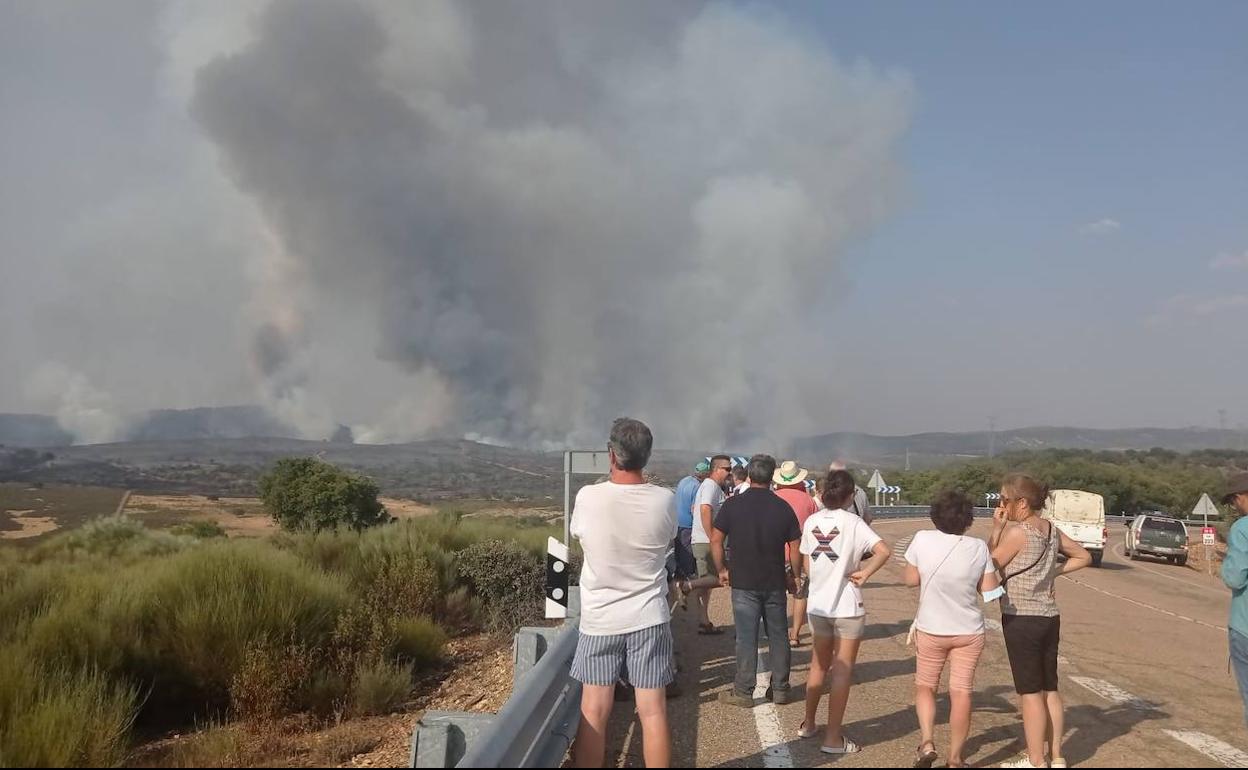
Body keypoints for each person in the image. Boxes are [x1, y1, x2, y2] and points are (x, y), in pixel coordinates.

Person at [570, 418, 676, 769]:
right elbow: (669, 541)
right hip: (648, 616)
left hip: (600, 619)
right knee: (653, 711)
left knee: (593, 710)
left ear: (611, 454)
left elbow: (579, 536)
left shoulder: (588, 497)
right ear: (646, 455)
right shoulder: (665, 500)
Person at [989, 474, 1091, 770]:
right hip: (1049, 616)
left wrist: (996, 530)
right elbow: (1083, 556)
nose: (1001, 505)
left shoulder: (1018, 533)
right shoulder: (1050, 530)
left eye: (1004, 500)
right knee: (1050, 688)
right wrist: (1054, 573)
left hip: (1022, 617)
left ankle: (1035, 760)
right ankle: (1057, 755)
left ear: (1021, 502)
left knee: (1029, 692)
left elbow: (988, 565)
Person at [904, 491, 1000, 769]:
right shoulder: (979, 547)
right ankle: (956, 758)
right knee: (961, 693)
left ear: (935, 515)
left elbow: (910, 580)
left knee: (925, 687)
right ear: (968, 520)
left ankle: (927, 742)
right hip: (968, 631)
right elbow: (990, 592)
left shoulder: (922, 539)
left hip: (932, 628)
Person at [798, 469, 892, 755]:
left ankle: (808, 724)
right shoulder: (853, 523)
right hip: (847, 606)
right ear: (851, 496)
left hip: (817, 605)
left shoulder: (811, 521)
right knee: (842, 670)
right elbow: (883, 551)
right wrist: (864, 574)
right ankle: (833, 738)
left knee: (817, 665)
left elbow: (806, 566)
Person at [710, 454, 803, 707]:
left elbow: (716, 540)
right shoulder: (783, 507)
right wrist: (794, 576)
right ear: (772, 476)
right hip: (773, 581)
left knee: (746, 637)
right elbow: (795, 549)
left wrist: (722, 569)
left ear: (749, 475)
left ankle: (743, 692)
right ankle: (781, 688)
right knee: (778, 636)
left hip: (743, 582)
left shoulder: (732, 505)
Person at [773, 460, 819, 646]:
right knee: (800, 594)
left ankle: (777, 631)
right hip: (800, 552)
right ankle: (795, 634)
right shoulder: (808, 500)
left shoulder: (773, 497)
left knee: (776, 594)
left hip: (775, 552)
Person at [689, 454, 733, 634]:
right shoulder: (711, 486)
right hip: (706, 541)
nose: (730, 473)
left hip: (704, 539)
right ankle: (687, 585)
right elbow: (704, 508)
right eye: (727, 469)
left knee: (707, 585)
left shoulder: (711, 486)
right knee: (722, 578)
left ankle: (704, 620)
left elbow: (695, 509)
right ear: (716, 469)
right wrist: (712, 536)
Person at [1219, 471, 1248, 724]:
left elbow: (1235, 578)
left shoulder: (1242, 528)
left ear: (1241, 497)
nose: (1234, 507)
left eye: (1233, 502)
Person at [673, 460, 709, 590]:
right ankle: (686, 582)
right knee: (688, 553)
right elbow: (694, 508)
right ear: (705, 475)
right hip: (688, 524)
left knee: (679, 550)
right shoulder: (698, 486)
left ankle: (677, 578)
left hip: (677, 521)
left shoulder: (684, 481)